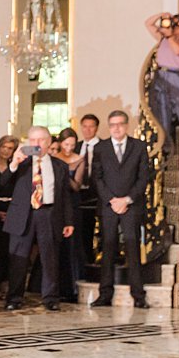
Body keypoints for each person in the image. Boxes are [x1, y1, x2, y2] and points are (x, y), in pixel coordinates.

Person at [0, 126, 75, 312]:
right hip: (23, 214)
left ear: (49, 143)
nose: (37, 144)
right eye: (33, 140)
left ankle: (50, 298)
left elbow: (65, 196)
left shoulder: (60, 166)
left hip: (48, 213)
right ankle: (14, 298)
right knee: (19, 258)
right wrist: (14, 163)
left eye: (41, 140)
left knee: (50, 258)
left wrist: (68, 221)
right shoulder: (21, 163)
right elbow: (2, 183)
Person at [91, 109, 150, 308]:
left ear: (126, 125)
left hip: (131, 206)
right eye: (112, 124)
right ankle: (104, 294)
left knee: (132, 248)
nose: (116, 128)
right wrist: (112, 200)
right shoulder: (100, 147)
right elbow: (97, 178)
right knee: (107, 248)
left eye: (120, 124)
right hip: (109, 206)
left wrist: (127, 199)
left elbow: (143, 177)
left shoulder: (139, 146)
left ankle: (138, 295)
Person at [144, 11, 179, 152]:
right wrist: (161, 15)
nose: (171, 26)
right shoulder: (163, 38)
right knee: (161, 110)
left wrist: (170, 36)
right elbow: (148, 23)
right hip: (162, 75)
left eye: (174, 23)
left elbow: (178, 51)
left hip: (178, 76)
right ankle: (166, 145)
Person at [52, 128, 87, 303]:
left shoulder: (79, 160)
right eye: (66, 144)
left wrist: (63, 171)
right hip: (56, 204)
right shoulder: (53, 158)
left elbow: (76, 186)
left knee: (72, 245)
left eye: (72, 145)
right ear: (60, 143)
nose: (69, 148)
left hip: (72, 204)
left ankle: (72, 286)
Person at [0, 134, 18, 286]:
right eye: (4, 147)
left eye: (10, 148)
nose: (6, 151)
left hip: (12, 208)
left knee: (9, 247)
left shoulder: (16, 166)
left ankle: (6, 282)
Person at [75, 113, 102, 268]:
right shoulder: (76, 146)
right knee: (80, 230)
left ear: (96, 128)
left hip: (96, 194)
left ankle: (94, 261)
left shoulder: (104, 146)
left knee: (95, 229)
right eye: (84, 126)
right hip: (78, 194)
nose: (87, 130)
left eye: (91, 126)